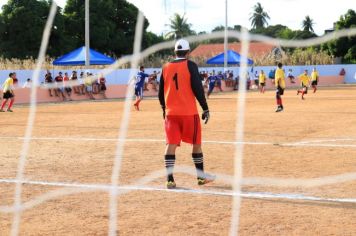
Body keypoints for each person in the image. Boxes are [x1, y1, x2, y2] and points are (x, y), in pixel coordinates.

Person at [158, 38, 215, 189]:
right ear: (188, 52)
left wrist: (164, 109)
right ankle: (201, 178)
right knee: (196, 144)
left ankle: (170, 179)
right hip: (189, 113)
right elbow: (197, 88)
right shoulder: (191, 65)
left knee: (170, 144)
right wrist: (205, 108)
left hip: (171, 114)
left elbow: (160, 93)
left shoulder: (165, 67)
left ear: (175, 52)